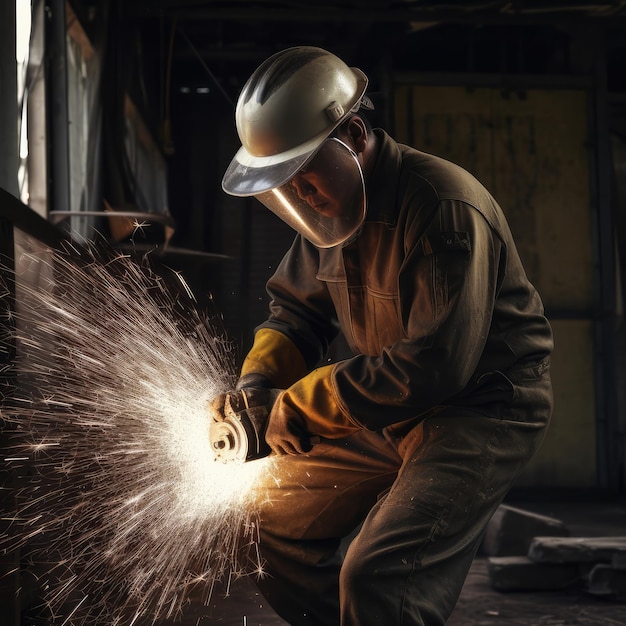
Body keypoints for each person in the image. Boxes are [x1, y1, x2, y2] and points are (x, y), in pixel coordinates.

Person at [217, 46, 553, 625]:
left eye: (304, 172)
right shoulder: (328, 212)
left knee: (379, 575)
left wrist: (294, 408)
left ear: (354, 133)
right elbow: (296, 314)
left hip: (477, 408)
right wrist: (255, 387)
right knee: (264, 524)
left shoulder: (442, 206)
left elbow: (433, 365)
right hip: (387, 409)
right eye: (283, 183)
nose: (298, 195)